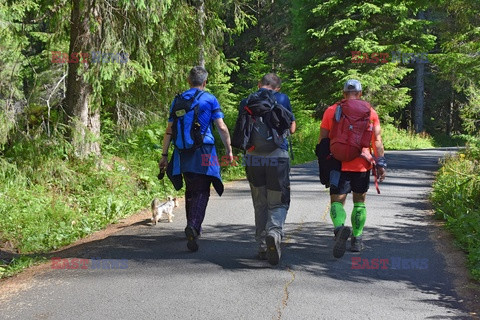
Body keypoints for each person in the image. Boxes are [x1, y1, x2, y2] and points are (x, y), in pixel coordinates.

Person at [159, 66, 233, 252]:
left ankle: (192, 226)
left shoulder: (177, 100)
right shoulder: (209, 98)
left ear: (188, 81)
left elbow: (169, 130)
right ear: (205, 82)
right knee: (203, 189)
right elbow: (221, 127)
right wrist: (229, 150)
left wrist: (164, 155)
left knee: (191, 188)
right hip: (205, 150)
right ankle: (193, 226)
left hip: (182, 151)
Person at [319, 79, 386, 258]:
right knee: (359, 202)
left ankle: (340, 229)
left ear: (343, 94)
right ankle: (357, 239)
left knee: (336, 202)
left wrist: (323, 164)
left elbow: (323, 140)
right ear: (360, 94)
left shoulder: (331, 110)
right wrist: (380, 163)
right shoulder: (370, 112)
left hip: (337, 163)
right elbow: (377, 141)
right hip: (362, 163)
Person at [240, 73, 296, 265]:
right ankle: (274, 232)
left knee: (260, 203)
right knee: (278, 201)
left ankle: (263, 245)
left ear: (259, 84)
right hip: (277, 157)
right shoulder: (282, 99)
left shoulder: (246, 100)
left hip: (254, 158)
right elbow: (292, 128)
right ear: (277, 87)